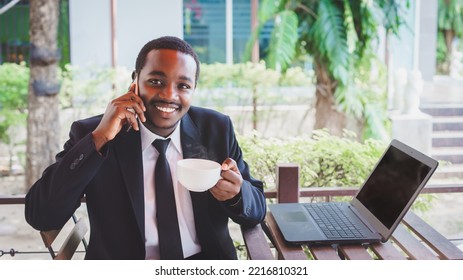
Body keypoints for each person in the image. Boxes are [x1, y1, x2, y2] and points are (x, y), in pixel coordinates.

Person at [25, 36, 266, 260]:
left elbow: (256, 209)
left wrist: (237, 194)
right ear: (135, 82)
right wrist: (98, 139)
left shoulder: (215, 129)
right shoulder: (93, 133)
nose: (169, 95)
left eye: (183, 86)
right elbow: (41, 215)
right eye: (156, 81)